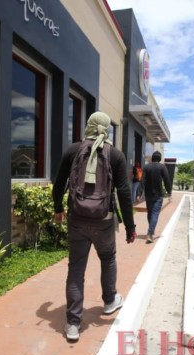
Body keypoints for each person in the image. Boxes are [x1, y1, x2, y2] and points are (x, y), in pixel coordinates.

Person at [52, 111, 137, 342]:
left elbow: (58, 184)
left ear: (89, 126)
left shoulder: (73, 150)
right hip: (104, 220)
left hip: (77, 218)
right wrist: (130, 227)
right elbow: (124, 193)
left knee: (76, 268)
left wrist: (58, 209)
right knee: (108, 258)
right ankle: (110, 300)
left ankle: (72, 324)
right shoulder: (116, 155)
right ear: (106, 129)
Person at [143, 151, 171, 243]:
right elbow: (167, 180)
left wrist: (139, 193)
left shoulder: (146, 167)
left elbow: (142, 180)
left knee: (150, 213)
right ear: (159, 159)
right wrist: (169, 191)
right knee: (155, 213)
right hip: (158, 195)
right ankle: (150, 233)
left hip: (148, 195)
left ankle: (151, 229)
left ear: (152, 158)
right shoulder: (162, 167)